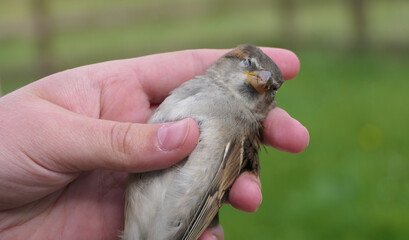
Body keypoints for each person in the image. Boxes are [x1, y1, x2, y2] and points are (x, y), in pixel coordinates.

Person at [0, 47, 309, 240]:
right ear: (229, 61)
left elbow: (211, 193)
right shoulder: (196, 90)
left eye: (270, 86)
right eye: (252, 65)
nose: (259, 80)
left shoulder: (241, 125)